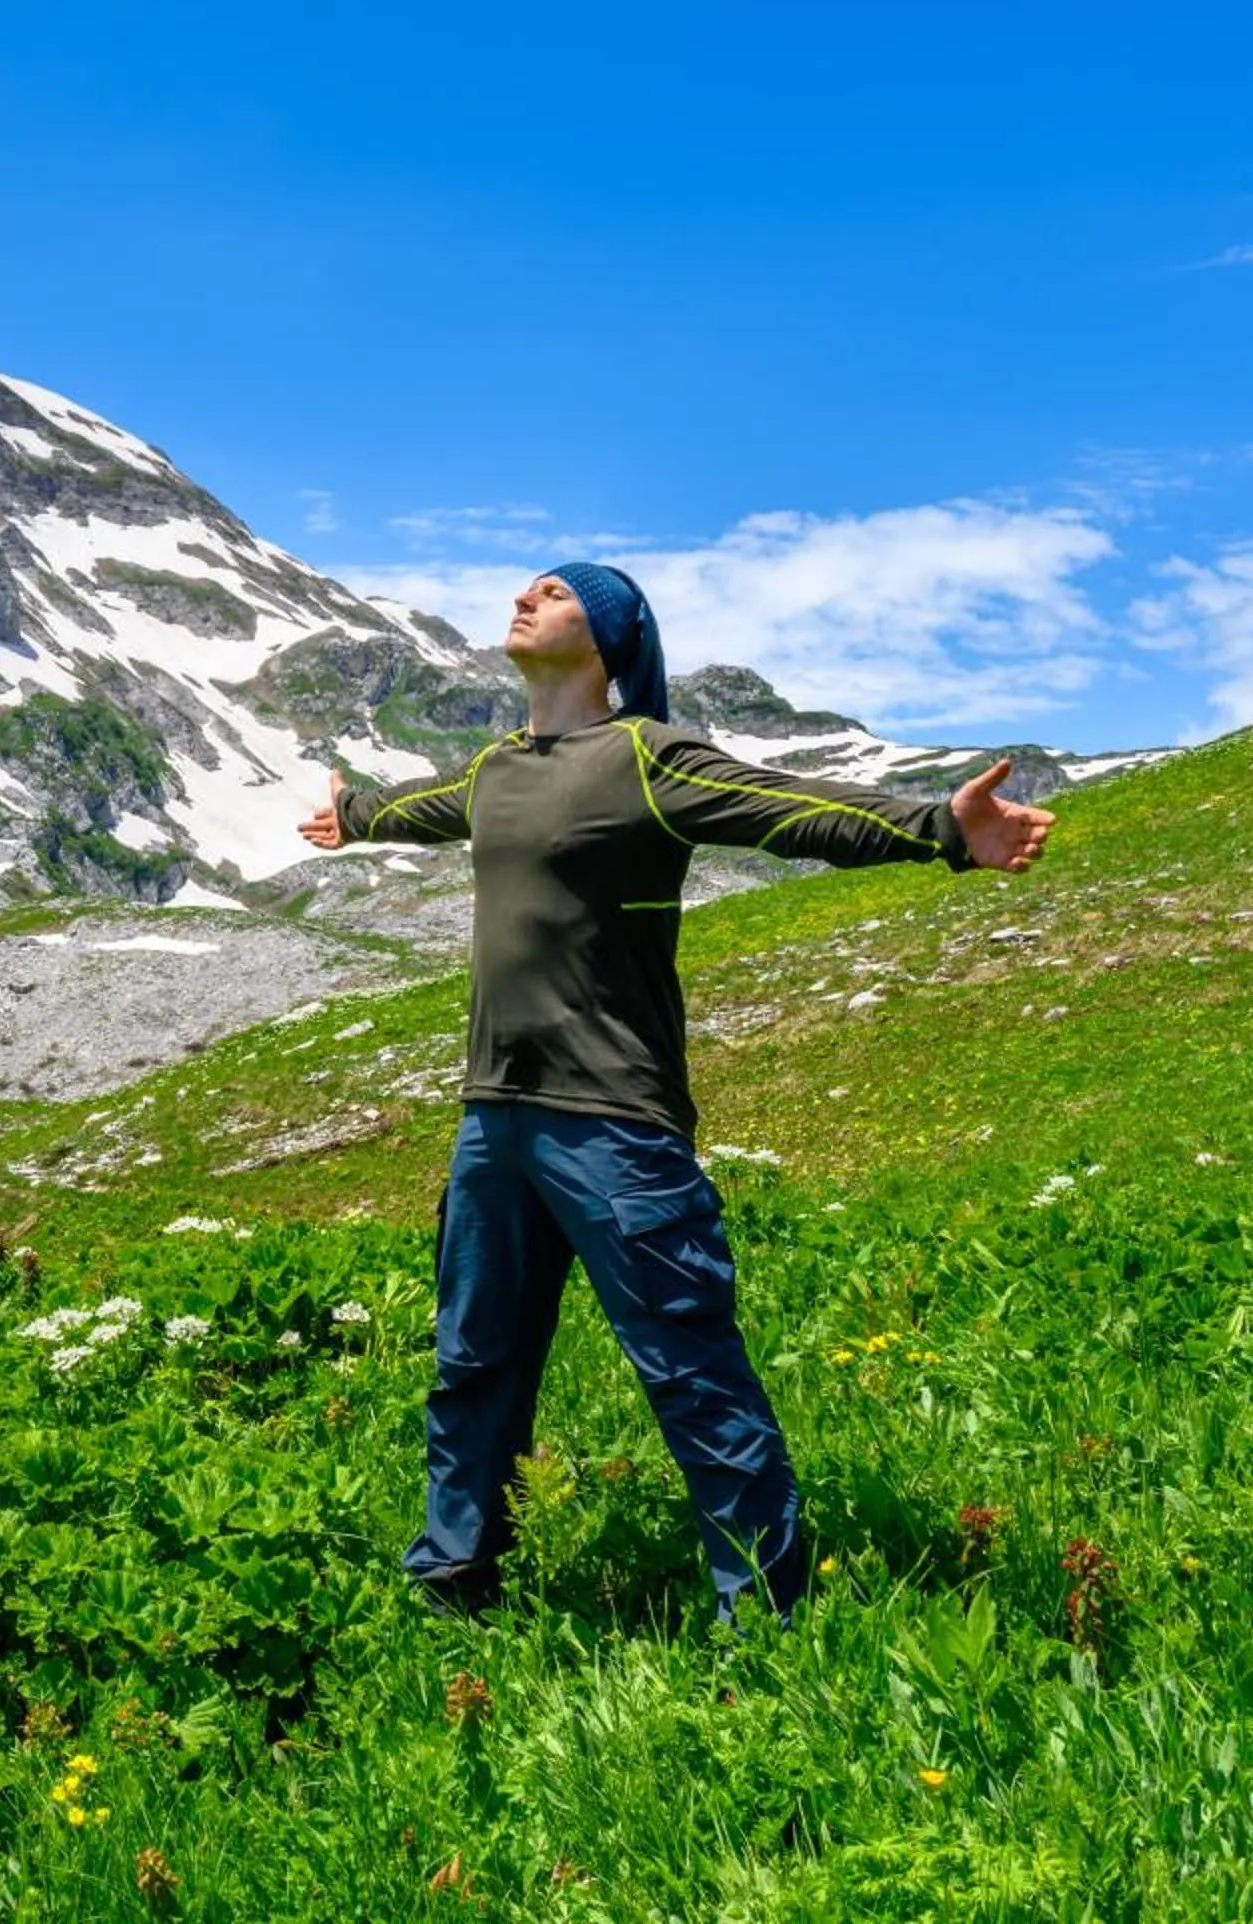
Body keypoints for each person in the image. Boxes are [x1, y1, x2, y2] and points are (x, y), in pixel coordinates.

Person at [295, 562, 1054, 1624]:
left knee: (694, 1375)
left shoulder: (648, 757)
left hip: (614, 1123)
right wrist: (355, 813)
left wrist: (940, 828)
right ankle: (453, 1590)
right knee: (474, 1365)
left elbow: (792, 812)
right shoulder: (498, 768)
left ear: (608, 638)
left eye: (554, 593)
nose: (525, 597)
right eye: (526, 587)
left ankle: (770, 1620)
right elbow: (426, 808)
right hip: (493, 1119)